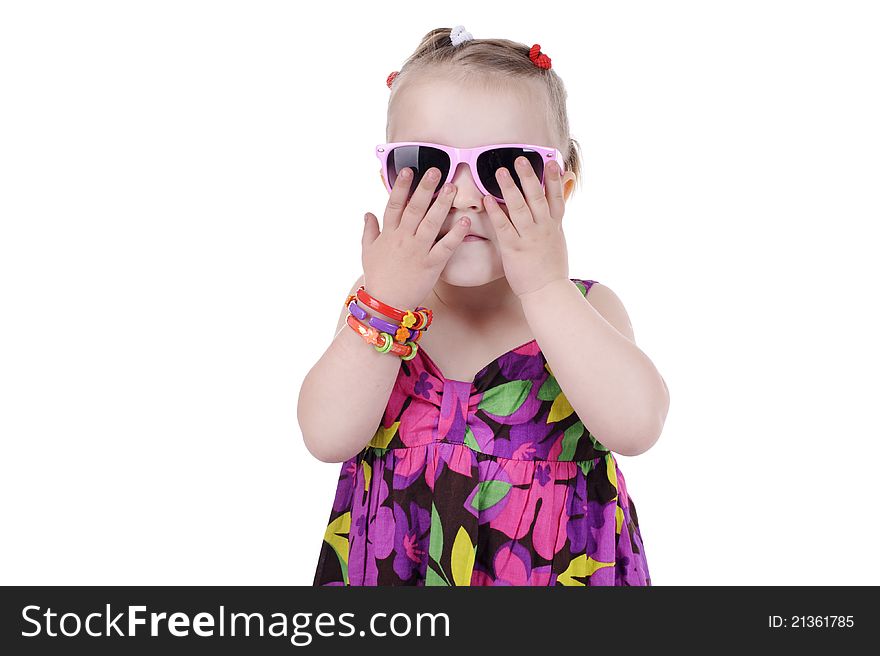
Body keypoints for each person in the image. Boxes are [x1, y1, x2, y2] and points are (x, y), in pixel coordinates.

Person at [298, 25, 669, 586]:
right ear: (387, 177)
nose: (466, 197)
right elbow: (326, 437)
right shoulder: (376, 309)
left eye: (503, 169)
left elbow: (637, 426)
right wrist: (385, 302)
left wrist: (544, 286)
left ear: (561, 188)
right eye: (428, 165)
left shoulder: (586, 308)